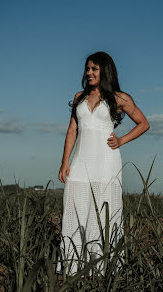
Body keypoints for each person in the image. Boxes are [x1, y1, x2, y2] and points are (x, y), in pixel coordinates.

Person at [57, 52, 149, 276]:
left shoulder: (119, 98)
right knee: (74, 208)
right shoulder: (79, 97)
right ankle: (73, 266)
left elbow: (143, 123)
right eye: (87, 69)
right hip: (80, 161)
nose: (89, 73)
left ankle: (101, 269)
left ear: (104, 71)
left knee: (104, 211)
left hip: (106, 162)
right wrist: (64, 162)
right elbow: (72, 130)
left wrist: (121, 140)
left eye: (94, 69)